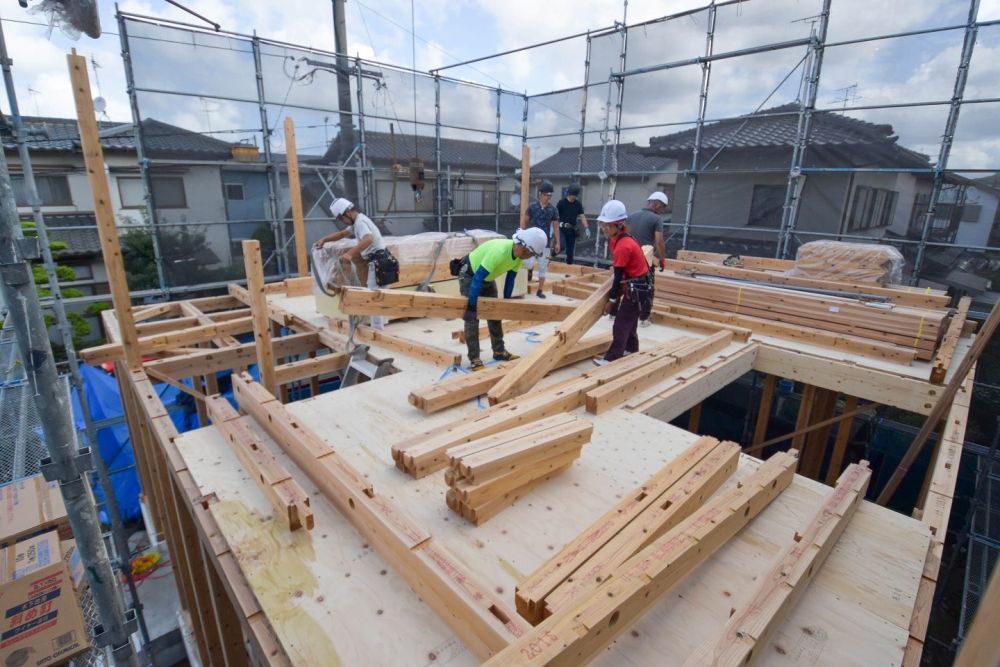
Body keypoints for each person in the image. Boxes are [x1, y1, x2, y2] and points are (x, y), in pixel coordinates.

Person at [458, 227, 547, 371]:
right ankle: (474, 358)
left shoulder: (519, 257)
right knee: (472, 318)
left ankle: (499, 351)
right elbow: (477, 278)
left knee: (495, 314)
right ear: (521, 244)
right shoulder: (499, 252)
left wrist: (506, 304)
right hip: (470, 275)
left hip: (487, 278)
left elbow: (510, 281)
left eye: (530, 255)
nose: (527, 256)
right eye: (527, 253)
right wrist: (472, 307)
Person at [313, 197, 388, 329]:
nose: (342, 222)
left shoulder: (360, 222)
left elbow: (368, 239)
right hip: (376, 259)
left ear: (347, 212)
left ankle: (378, 330)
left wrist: (349, 253)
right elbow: (342, 234)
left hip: (379, 260)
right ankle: (379, 326)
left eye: (341, 219)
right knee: (376, 293)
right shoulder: (356, 222)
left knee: (374, 294)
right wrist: (324, 239)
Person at [594, 200, 652, 365]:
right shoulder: (617, 239)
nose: (604, 228)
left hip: (636, 289)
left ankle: (612, 358)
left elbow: (618, 278)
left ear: (619, 225)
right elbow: (620, 275)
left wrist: (612, 302)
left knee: (620, 323)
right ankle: (631, 348)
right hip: (636, 286)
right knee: (630, 321)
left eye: (608, 225)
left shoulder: (623, 246)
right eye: (602, 224)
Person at [627, 191, 670, 327]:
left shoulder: (632, 216)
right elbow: (659, 241)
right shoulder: (656, 219)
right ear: (657, 205)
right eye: (663, 208)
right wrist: (662, 258)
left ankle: (613, 313)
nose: (663, 211)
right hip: (645, 258)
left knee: (626, 284)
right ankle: (644, 319)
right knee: (648, 287)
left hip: (628, 256)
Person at [521, 180, 559, 298]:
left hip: (545, 243)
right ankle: (527, 278)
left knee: (543, 266)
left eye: (550, 195)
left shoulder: (553, 210)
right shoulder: (532, 207)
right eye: (547, 195)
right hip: (530, 241)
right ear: (540, 194)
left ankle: (540, 290)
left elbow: (556, 226)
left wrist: (558, 242)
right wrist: (522, 236)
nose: (549, 197)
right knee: (527, 263)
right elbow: (525, 222)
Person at [556, 184, 590, 265]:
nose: (571, 196)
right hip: (562, 229)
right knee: (562, 245)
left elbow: (582, 216)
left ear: (575, 195)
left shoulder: (578, 204)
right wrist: (553, 227)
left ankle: (568, 270)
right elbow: (555, 216)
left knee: (570, 253)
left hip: (572, 230)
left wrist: (586, 228)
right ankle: (552, 254)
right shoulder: (561, 203)